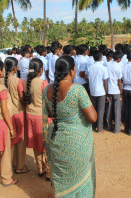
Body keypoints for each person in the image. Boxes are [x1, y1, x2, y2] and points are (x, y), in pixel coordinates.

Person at [42, 56, 97, 197]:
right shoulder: (77, 90)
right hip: (77, 142)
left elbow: (49, 114)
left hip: (57, 140)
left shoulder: (47, 89)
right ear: (72, 71)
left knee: (63, 178)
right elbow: (93, 117)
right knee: (82, 178)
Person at [23, 59, 50, 180]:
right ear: (40, 70)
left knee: (36, 143)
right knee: (46, 144)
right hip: (41, 116)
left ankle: (40, 168)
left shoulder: (25, 82)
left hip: (30, 115)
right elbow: (48, 102)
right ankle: (48, 171)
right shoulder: (43, 83)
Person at [4, 57, 28, 174]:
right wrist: (25, 106)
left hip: (8, 113)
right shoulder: (17, 81)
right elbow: (21, 97)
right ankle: (20, 165)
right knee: (21, 140)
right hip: (18, 111)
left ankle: (12, 163)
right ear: (15, 67)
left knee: (12, 139)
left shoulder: (3, 80)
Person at [87, 50, 109, 133]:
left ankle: (93, 126)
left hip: (93, 91)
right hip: (101, 92)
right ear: (100, 58)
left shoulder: (90, 67)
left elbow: (89, 79)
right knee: (100, 111)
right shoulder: (103, 68)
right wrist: (106, 94)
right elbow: (105, 82)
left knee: (94, 109)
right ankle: (100, 128)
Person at [105, 51, 123, 133]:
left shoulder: (107, 65)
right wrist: (121, 92)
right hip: (116, 90)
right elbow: (119, 81)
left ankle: (109, 126)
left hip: (108, 90)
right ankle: (117, 128)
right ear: (119, 59)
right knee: (117, 110)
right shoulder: (119, 67)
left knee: (109, 109)